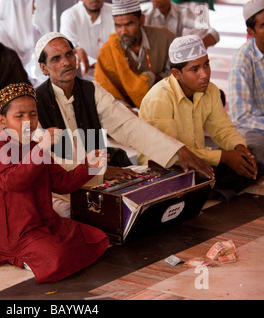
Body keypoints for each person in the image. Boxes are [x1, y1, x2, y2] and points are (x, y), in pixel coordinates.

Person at [35, 32, 215, 216]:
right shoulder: (35, 104)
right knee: (67, 212)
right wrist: (98, 173)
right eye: (56, 59)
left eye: (69, 54)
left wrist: (177, 150)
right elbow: (49, 162)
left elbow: (128, 125)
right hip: (60, 188)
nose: (66, 62)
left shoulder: (91, 90)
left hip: (99, 179)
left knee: (149, 179)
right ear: (44, 68)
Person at [0, 82, 109, 283]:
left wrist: (89, 166)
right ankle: (23, 257)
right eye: (19, 116)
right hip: (17, 236)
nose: (28, 122)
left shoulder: (35, 146)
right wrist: (40, 150)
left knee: (96, 237)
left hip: (46, 224)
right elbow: (12, 181)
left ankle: (44, 252)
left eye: (32, 114)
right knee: (57, 257)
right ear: (2, 120)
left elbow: (62, 183)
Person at [139, 35, 264, 202]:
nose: (204, 74)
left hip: (200, 161)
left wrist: (238, 148)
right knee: (180, 173)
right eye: (195, 69)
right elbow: (171, 152)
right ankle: (211, 188)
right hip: (166, 165)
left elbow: (222, 128)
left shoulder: (211, 91)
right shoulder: (159, 98)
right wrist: (224, 157)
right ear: (177, 73)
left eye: (206, 65)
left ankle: (207, 191)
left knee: (257, 154)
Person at [95, 0, 175, 111]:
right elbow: (106, 92)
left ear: (141, 20)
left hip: (164, 104)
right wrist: (127, 111)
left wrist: (153, 79)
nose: (123, 32)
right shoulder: (107, 51)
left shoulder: (165, 37)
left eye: (129, 24)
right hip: (125, 112)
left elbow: (177, 73)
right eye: (118, 26)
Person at [228, 0, 264, 155]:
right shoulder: (242, 60)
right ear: (251, 31)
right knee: (245, 138)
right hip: (260, 124)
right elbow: (241, 115)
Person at [0, 0, 45, 86]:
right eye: (32, 4)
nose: (34, 8)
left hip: (24, 80)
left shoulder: (33, 30)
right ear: (20, 8)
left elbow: (46, 52)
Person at [60, 0, 115, 79]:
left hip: (114, 76)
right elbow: (68, 48)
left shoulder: (115, 12)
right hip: (83, 79)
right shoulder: (69, 15)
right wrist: (76, 50)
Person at [144, 0, 219, 48]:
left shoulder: (182, 12)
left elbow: (210, 31)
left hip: (176, 59)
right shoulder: (145, 16)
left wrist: (197, 44)